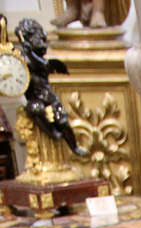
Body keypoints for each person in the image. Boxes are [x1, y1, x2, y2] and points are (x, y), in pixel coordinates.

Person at [15, 19, 87, 156]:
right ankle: (52, 133)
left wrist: (30, 51)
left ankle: (74, 146)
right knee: (36, 109)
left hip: (48, 96)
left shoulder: (40, 60)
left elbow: (41, 65)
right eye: (39, 39)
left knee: (63, 121)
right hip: (34, 98)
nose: (43, 43)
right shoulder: (23, 57)